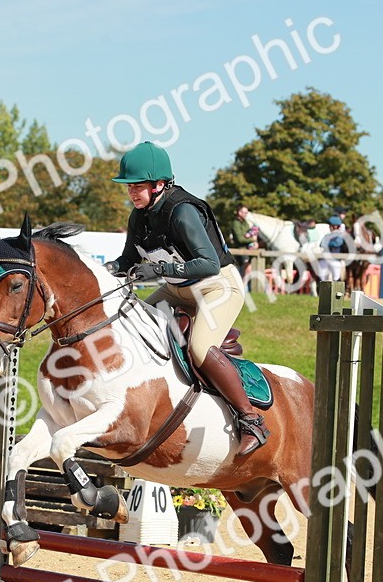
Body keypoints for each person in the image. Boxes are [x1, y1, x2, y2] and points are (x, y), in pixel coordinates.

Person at [106, 141, 269, 455]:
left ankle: (251, 420)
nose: (131, 193)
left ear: (159, 184)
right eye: (128, 187)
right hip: (176, 289)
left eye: (137, 186)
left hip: (217, 287)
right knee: (127, 323)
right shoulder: (138, 217)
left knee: (198, 347)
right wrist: (96, 271)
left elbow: (207, 263)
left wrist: (156, 271)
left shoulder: (182, 212)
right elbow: (126, 262)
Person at [316, 216, 351, 283]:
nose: (329, 227)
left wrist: (328, 243)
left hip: (335, 259)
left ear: (334, 226)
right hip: (325, 258)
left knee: (336, 277)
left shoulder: (340, 235)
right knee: (322, 275)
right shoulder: (328, 235)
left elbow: (337, 243)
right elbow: (321, 244)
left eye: (330, 225)